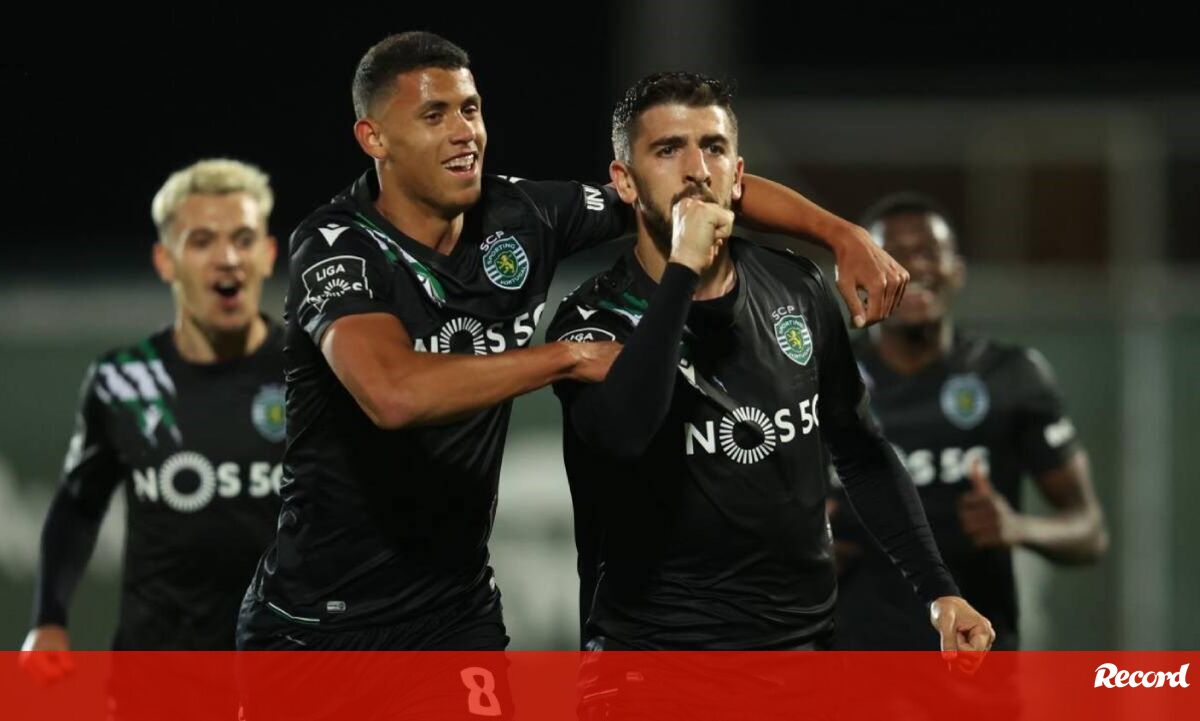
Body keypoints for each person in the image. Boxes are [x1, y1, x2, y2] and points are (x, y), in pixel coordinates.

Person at [236, 31, 909, 656]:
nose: (464, 131)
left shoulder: (521, 216)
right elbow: (393, 393)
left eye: (471, 109)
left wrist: (841, 235)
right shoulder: (338, 248)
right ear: (374, 137)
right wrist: (568, 355)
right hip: (318, 620)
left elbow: (686, 188)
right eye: (434, 115)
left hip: (454, 611)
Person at [548, 71, 993, 657]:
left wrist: (939, 591)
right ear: (625, 182)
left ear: (737, 175)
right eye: (668, 150)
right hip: (651, 658)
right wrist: (683, 269)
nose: (696, 169)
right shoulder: (594, 318)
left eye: (713, 147)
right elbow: (626, 432)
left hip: (801, 650)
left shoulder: (796, 287)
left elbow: (860, 452)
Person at [19, 158, 284, 718]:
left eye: (242, 239)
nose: (227, 258)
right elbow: (77, 504)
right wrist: (48, 620)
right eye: (202, 241)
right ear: (166, 261)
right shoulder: (125, 381)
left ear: (267, 254)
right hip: (159, 680)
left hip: (287, 674)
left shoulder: (314, 374)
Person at [830, 192, 1108, 652]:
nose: (913, 268)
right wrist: (804, 544)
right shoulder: (825, 380)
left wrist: (1018, 527)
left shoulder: (1010, 376)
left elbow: (1090, 530)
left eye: (928, 252)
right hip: (853, 662)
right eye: (892, 255)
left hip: (976, 661)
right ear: (863, 272)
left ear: (956, 271)